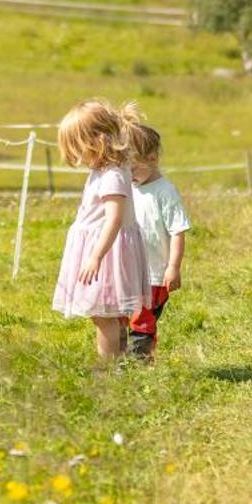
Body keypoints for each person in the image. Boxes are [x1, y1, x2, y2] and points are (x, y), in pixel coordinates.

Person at [51, 98, 150, 361]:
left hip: (107, 253)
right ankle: (119, 360)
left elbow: (114, 219)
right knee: (104, 313)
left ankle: (108, 368)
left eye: (77, 149)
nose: (77, 158)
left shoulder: (112, 175)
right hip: (102, 248)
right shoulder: (106, 170)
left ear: (96, 142)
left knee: (103, 314)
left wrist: (95, 256)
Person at [122, 108, 190, 359]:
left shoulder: (164, 191)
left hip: (153, 274)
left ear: (152, 158)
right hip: (128, 269)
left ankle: (138, 363)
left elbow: (178, 230)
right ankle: (119, 359)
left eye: (134, 169)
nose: (130, 175)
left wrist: (173, 267)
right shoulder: (130, 188)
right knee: (121, 315)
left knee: (143, 320)